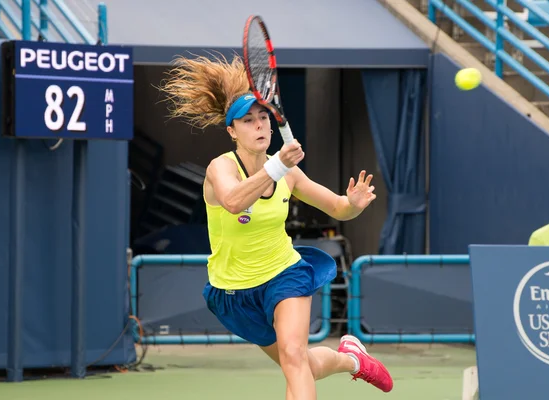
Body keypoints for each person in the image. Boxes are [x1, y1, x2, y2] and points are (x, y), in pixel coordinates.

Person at [159, 53, 393, 399]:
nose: (259, 125)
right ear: (232, 131)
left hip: (283, 274)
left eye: (263, 117)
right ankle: (351, 360)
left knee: (294, 355)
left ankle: (347, 358)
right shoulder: (220, 168)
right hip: (233, 292)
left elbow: (337, 207)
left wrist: (353, 205)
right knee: (304, 366)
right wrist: (278, 165)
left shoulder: (289, 173)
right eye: (247, 120)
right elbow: (234, 201)